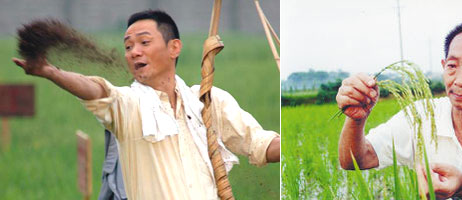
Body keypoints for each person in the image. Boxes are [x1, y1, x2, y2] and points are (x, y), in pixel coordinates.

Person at [12, 9, 280, 200]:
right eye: (128, 47)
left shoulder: (207, 101)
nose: (134, 52)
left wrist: (302, 142)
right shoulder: (131, 106)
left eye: (144, 42)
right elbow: (98, 91)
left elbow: (259, 143)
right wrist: (52, 72)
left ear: (174, 48)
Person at [336, 22, 462, 199]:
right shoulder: (420, 116)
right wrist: (356, 120)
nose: (459, 81)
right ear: (443, 66)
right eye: (452, 66)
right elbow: (355, 160)